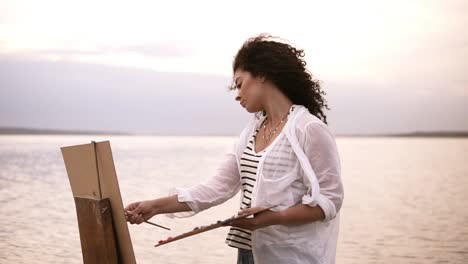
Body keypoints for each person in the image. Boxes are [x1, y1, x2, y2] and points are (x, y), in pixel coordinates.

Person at [125, 33, 344, 264]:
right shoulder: (251, 131)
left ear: (261, 74)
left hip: (290, 256)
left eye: (239, 84)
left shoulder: (309, 129)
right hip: (248, 253)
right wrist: (154, 206)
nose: (237, 95)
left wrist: (274, 217)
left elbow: (329, 201)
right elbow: (217, 187)